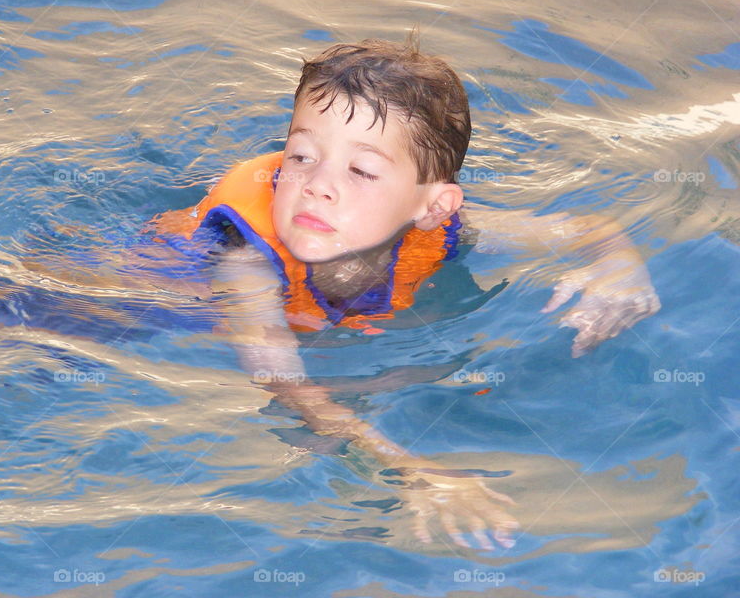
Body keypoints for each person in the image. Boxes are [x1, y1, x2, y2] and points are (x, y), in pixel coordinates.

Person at [143, 34, 661, 550]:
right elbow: (285, 385)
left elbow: (586, 230)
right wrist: (410, 470)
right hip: (137, 301)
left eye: (362, 170)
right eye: (301, 157)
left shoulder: (446, 228)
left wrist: (619, 268)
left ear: (433, 207)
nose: (317, 185)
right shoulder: (247, 263)